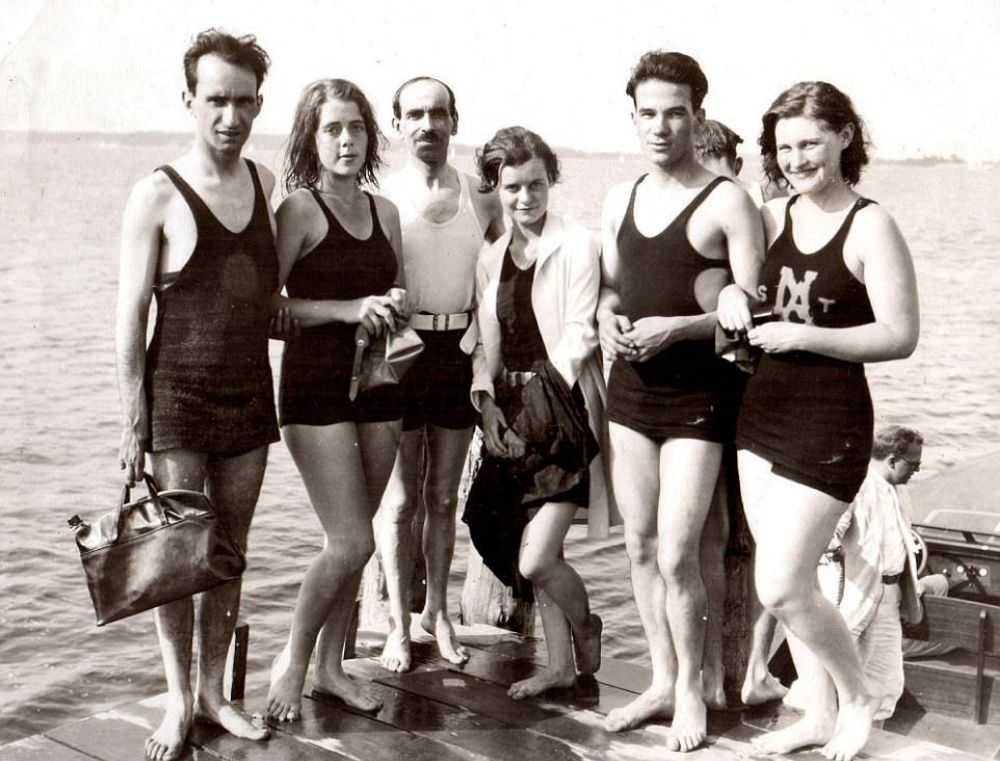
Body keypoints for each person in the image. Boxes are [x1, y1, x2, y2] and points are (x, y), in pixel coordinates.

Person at [717, 81, 919, 760]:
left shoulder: (870, 224)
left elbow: (899, 334)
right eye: (784, 147)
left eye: (809, 142)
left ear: (843, 137)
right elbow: (740, 288)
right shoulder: (770, 217)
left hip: (828, 422)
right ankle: (816, 709)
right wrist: (728, 298)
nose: (797, 157)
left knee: (780, 580)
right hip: (761, 415)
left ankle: (856, 701)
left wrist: (803, 337)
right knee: (788, 585)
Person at [115, 29, 275, 761]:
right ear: (189, 101)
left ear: (257, 104)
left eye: (243, 102)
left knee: (230, 550)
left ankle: (216, 691)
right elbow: (129, 319)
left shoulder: (265, 183)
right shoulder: (156, 193)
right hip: (176, 398)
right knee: (180, 556)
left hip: (248, 392)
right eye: (216, 100)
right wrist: (132, 423)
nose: (230, 117)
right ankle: (179, 699)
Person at [597, 51, 764, 752]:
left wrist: (680, 328)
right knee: (638, 543)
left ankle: (694, 687)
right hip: (631, 391)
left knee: (679, 553)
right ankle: (663, 678)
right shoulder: (618, 197)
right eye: (648, 114)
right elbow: (612, 286)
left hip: (700, 392)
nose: (660, 126)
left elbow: (749, 309)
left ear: (697, 115)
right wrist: (607, 316)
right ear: (632, 116)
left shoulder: (727, 199)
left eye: (675, 112)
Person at [265, 79, 406, 723]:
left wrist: (392, 307)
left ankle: (331, 668)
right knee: (348, 541)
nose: (346, 140)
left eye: (356, 127)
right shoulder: (300, 209)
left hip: (378, 384)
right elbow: (266, 310)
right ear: (310, 138)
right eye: (332, 129)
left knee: (364, 541)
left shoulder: (387, 212)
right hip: (313, 388)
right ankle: (293, 662)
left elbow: (396, 290)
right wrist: (348, 310)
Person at [469, 126, 609, 699]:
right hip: (508, 410)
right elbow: (485, 342)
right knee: (513, 539)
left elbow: (578, 337)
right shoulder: (492, 255)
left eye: (535, 184)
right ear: (495, 189)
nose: (525, 197)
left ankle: (586, 625)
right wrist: (486, 408)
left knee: (536, 560)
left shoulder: (577, 244)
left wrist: (526, 420)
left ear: (551, 179)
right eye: (512, 188)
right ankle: (559, 667)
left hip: (560, 414)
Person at [375, 76, 504, 673]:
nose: (427, 125)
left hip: (459, 350)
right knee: (399, 503)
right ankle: (397, 626)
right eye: (415, 115)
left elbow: (509, 274)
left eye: (438, 114)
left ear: (455, 120)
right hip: (402, 350)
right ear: (398, 124)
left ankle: (440, 613)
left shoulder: (482, 195)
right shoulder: (382, 196)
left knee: (442, 496)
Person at [789, 425, 931, 721]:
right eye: (913, 464)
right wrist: (831, 546)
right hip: (856, 593)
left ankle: (865, 738)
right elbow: (828, 532)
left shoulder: (898, 491)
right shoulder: (855, 485)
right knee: (834, 673)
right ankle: (819, 726)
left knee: (886, 681)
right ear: (892, 460)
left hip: (889, 599)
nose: (917, 470)